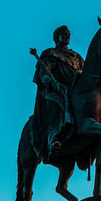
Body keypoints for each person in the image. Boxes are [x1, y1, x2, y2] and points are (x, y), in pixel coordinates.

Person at [29, 25, 84, 158]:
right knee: (60, 101)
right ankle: (54, 136)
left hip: (74, 90)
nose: (67, 36)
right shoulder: (50, 54)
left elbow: (86, 73)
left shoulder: (76, 57)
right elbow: (44, 73)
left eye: (69, 34)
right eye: (64, 34)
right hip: (56, 90)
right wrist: (53, 82)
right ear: (56, 37)